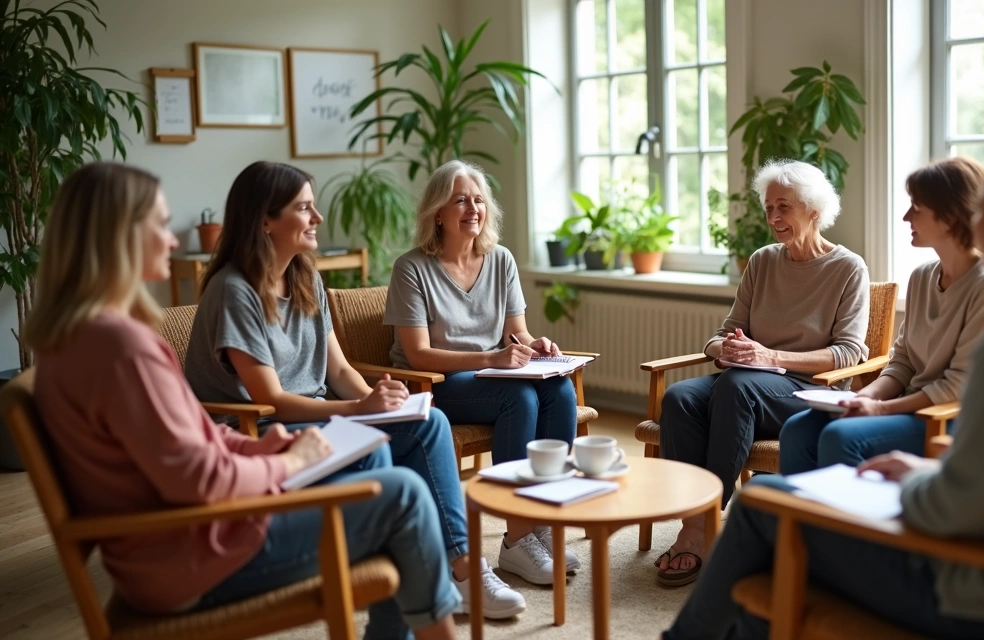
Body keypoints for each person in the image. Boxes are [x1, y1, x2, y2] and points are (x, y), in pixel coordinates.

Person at [662, 148, 984, 640]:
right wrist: (930, 470)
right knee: (770, 585)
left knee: (770, 507)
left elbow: (952, 513)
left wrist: (909, 485)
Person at [28, 162, 460, 639]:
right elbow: (202, 478)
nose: (172, 241)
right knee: (401, 496)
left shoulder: (78, 342)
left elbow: (195, 439)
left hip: (180, 547)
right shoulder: (122, 349)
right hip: (194, 558)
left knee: (398, 476)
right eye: (158, 224)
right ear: (116, 237)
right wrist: (289, 462)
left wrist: (262, 449)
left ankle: (440, 575)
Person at [184, 161, 524, 618]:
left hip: (318, 414)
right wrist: (360, 408)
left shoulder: (305, 277)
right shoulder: (234, 291)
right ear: (265, 220)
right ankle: (432, 575)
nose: (318, 218)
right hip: (262, 429)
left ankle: (459, 563)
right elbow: (272, 399)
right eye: (305, 208)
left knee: (428, 421)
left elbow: (338, 367)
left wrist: (380, 400)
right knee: (374, 446)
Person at [655, 159, 870, 587]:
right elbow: (718, 337)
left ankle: (699, 526)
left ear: (814, 210)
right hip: (746, 379)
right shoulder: (762, 261)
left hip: (806, 389)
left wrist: (770, 357)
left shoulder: (848, 268)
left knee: (736, 388)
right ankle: (697, 519)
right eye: (769, 208)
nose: (773, 218)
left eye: (783, 207)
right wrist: (726, 348)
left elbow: (849, 353)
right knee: (679, 397)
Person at [384, 159, 578, 586]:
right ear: (438, 212)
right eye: (460, 201)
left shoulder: (500, 259)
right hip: (434, 384)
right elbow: (417, 355)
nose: (473, 209)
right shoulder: (411, 268)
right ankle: (516, 538)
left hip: (491, 374)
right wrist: (491, 360)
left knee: (559, 391)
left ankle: (542, 517)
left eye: (479, 200)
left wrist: (536, 347)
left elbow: (517, 334)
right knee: (519, 397)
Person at [779, 157, 984, 472]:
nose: (905, 216)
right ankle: (798, 519)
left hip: (949, 417)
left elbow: (957, 386)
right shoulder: (923, 277)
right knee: (798, 429)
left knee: (841, 436)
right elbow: (904, 361)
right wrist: (862, 399)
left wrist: (881, 409)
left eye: (917, 208)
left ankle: (841, 521)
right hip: (907, 405)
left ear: (950, 218)